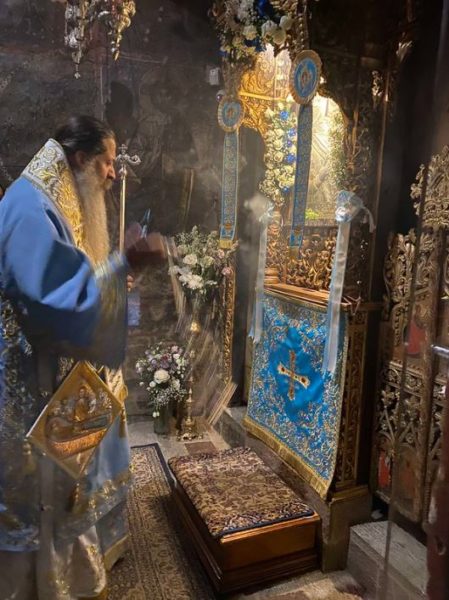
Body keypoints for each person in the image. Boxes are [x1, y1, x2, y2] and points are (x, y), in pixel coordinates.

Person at [0, 115, 164, 599]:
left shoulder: (47, 196)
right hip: (30, 391)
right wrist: (122, 265)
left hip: (45, 379)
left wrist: (113, 272)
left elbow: (69, 274)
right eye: (107, 162)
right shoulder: (33, 207)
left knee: (64, 486)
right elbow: (57, 303)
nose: (113, 173)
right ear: (79, 159)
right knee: (41, 501)